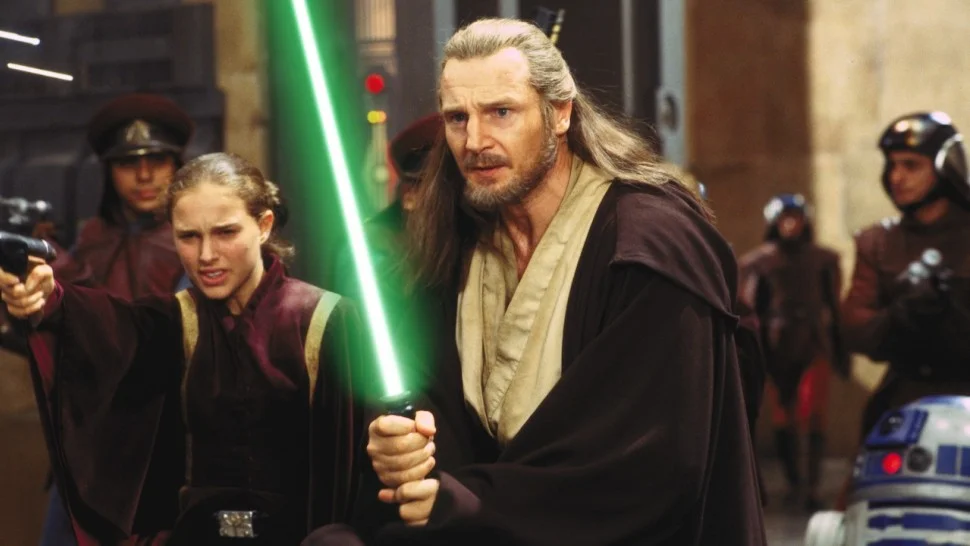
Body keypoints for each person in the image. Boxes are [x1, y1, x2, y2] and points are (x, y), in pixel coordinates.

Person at [307, 17, 765, 545]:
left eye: (501, 112)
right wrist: (403, 449)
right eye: (457, 118)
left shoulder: (647, 245)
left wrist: (466, 502)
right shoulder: (458, 241)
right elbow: (432, 404)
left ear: (560, 113)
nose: (475, 141)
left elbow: (650, 464)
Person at [2, 153, 368, 545]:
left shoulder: (320, 319)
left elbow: (348, 474)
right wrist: (46, 298)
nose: (206, 255)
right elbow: (103, 324)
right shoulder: (176, 320)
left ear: (263, 226)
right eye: (189, 237)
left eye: (225, 232)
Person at [22, 92, 194, 546]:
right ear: (109, 171)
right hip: (87, 444)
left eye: (157, 160)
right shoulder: (89, 242)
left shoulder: (196, 244)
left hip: (167, 443)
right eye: (128, 163)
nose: (144, 175)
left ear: (177, 164)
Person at [839, 112, 970, 504]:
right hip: (905, 399)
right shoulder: (879, 242)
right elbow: (854, 327)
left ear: (945, 165)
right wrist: (902, 315)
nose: (897, 177)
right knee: (869, 506)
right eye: (892, 165)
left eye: (911, 165)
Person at [738, 193, 847, 511]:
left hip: (813, 340)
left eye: (795, 218)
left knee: (813, 412)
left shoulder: (822, 259)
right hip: (775, 346)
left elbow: (834, 306)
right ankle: (794, 483)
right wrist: (754, 355)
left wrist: (841, 348)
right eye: (784, 219)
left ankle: (811, 486)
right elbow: (751, 311)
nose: (790, 225)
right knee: (783, 415)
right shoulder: (758, 262)